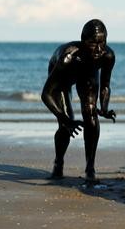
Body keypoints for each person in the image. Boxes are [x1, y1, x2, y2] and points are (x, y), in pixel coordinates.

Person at [41, 19, 116, 183]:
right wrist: (65, 120)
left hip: (88, 75)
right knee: (66, 123)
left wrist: (103, 108)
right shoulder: (68, 56)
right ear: (83, 41)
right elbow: (46, 94)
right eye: (92, 43)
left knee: (91, 115)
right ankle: (58, 163)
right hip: (63, 77)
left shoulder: (107, 56)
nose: (98, 49)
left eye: (102, 43)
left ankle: (90, 168)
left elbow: (105, 86)